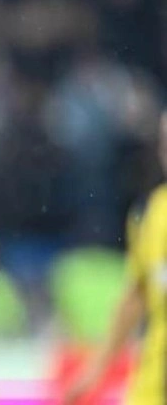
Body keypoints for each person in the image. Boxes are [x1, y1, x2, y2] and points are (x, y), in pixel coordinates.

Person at [64, 111, 167, 405]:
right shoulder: (150, 213)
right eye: (164, 142)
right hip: (153, 385)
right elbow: (137, 294)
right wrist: (96, 368)